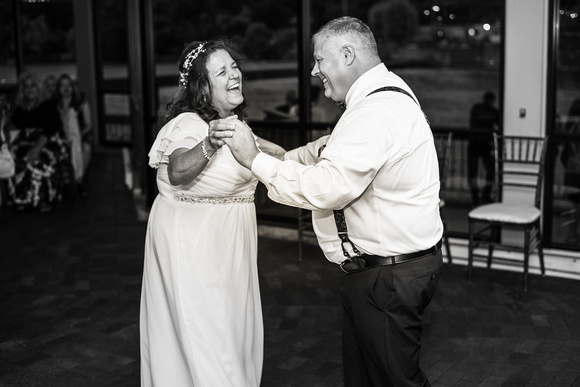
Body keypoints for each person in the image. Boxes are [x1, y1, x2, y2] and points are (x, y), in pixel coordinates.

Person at [211, 16, 444, 387]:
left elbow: (328, 186)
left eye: (320, 60)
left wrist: (253, 160)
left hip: (388, 277)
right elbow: (332, 155)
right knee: (367, 378)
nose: (314, 70)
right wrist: (283, 157)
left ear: (347, 54)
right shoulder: (383, 94)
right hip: (388, 271)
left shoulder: (374, 112)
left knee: (396, 381)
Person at [139, 39, 285, 387]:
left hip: (231, 248)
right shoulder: (187, 124)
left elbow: (275, 155)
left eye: (235, 66)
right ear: (202, 87)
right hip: (193, 248)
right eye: (223, 71)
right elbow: (177, 171)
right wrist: (209, 142)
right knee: (207, 341)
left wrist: (316, 153)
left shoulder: (234, 124)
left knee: (231, 337)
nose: (235, 74)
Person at [5, 72, 69, 212]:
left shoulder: (48, 105)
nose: (30, 89)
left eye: (33, 85)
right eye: (26, 86)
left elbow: (50, 129)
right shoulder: (21, 108)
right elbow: (14, 124)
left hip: (50, 141)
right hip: (27, 141)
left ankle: (43, 199)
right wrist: (6, 134)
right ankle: (21, 198)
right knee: (12, 157)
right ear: (22, 90)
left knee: (39, 159)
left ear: (38, 87)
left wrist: (36, 148)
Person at [52, 73, 93, 193]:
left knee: (85, 148)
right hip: (62, 136)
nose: (66, 88)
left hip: (81, 134)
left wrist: (77, 136)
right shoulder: (55, 105)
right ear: (58, 89)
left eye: (68, 85)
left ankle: (78, 180)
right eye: (62, 85)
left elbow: (89, 125)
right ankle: (65, 182)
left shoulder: (81, 102)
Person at [468, 91, 500, 205]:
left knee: (477, 172)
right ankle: (482, 195)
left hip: (479, 143)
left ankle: (479, 196)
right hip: (482, 143)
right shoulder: (493, 112)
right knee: (484, 172)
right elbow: (499, 124)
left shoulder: (477, 109)